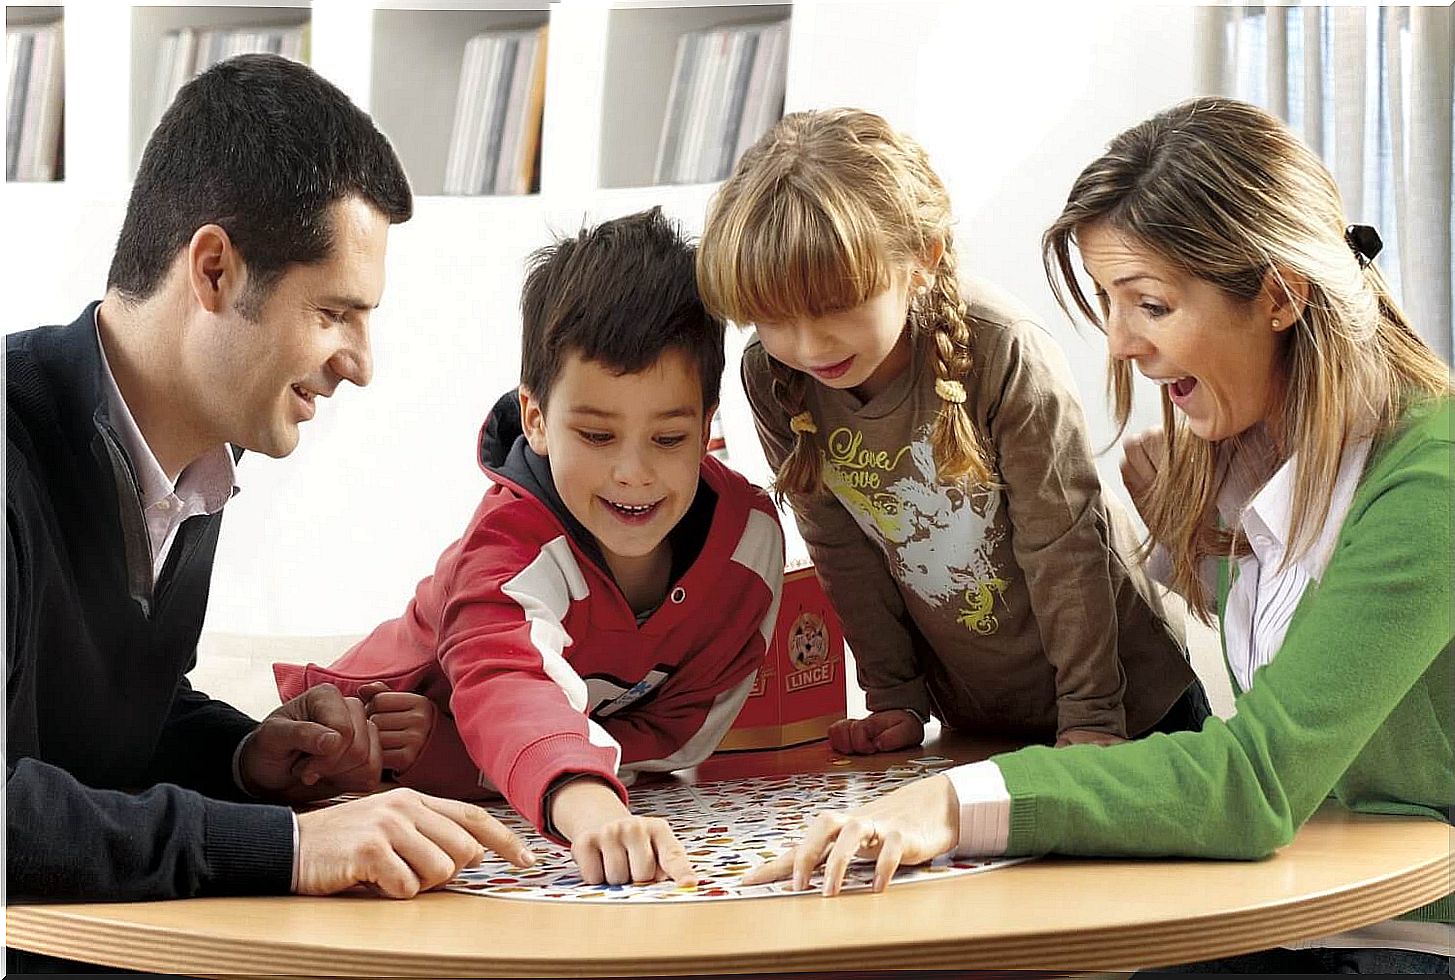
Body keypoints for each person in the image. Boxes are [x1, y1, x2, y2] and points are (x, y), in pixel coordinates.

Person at [742, 98, 1453, 975]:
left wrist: (953, 802)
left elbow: (1256, 782)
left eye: (1149, 304)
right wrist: (1198, 550)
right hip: (1283, 909)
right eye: (1112, 304)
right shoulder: (1236, 460)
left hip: (1407, 935)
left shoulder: (1432, 481)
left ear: (1279, 294)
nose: (1119, 345)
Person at [5, 53, 533, 946]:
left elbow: (82, 733)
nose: (361, 363)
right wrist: (284, 844)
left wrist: (248, 759)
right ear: (212, 271)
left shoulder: (194, 469)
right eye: (334, 314)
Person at [274, 207, 786, 888]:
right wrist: (593, 808)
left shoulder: (747, 549)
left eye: (668, 438)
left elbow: (686, 732)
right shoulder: (508, 547)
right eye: (598, 436)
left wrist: (470, 759)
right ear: (537, 420)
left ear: (706, 427)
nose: (633, 472)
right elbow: (504, 683)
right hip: (366, 742)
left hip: (515, 773)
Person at [696, 108, 1208, 756]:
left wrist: (1090, 716)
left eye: (833, 307)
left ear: (921, 259)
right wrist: (895, 698)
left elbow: (1064, 544)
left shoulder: (1002, 351)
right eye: (773, 319)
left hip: (1129, 705)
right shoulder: (775, 377)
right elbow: (840, 549)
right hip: (980, 714)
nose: (806, 344)